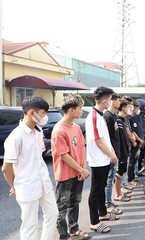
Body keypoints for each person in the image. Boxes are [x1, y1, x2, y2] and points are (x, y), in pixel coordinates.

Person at [1, 96, 59, 240]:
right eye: (43, 113)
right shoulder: (16, 137)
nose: (45, 117)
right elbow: (6, 168)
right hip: (26, 186)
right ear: (32, 113)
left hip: (43, 182)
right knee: (30, 224)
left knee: (52, 214)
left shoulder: (37, 132)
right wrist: (13, 185)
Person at [51, 94, 91, 240]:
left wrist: (83, 167)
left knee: (75, 203)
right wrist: (81, 169)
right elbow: (64, 156)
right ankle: (63, 235)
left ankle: (74, 229)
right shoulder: (58, 130)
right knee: (62, 207)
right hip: (65, 175)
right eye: (80, 108)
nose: (82, 111)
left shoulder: (76, 127)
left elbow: (83, 146)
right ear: (71, 110)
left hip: (78, 173)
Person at [86, 86, 119, 234]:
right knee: (96, 190)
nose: (111, 102)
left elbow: (104, 138)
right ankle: (94, 221)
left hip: (104, 159)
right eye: (111, 100)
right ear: (105, 101)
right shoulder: (93, 116)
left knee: (101, 187)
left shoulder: (100, 115)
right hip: (98, 160)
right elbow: (98, 140)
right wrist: (111, 155)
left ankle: (103, 213)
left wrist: (111, 153)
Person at [103, 93, 127, 212]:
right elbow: (106, 139)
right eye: (118, 100)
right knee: (109, 180)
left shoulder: (113, 116)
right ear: (112, 101)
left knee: (111, 178)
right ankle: (108, 204)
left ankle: (109, 201)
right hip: (110, 154)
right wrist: (111, 154)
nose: (119, 103)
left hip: (115, 153)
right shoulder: (108, 116)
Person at [115, 99, 132, 201]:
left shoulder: (124, 119)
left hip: (125, 150)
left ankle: (121, 190)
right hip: (121, 152)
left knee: (122, 172)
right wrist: (121, 153)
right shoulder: (118, 120)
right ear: (124, 107)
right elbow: (119, 140)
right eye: (128, 106)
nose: (129, 108)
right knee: (118, 173)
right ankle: (118, 193)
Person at [127, 100, 145, 185]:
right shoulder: (129, 118)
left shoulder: (135, 117)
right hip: (134, 142)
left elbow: (138, 129)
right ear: (133, 108)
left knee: (135, 160)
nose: (139, 110)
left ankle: (134, 176)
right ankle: (130, 179)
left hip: (138, 142)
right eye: (138, 108)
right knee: (132, 161)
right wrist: (139, 140)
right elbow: (132, 131)